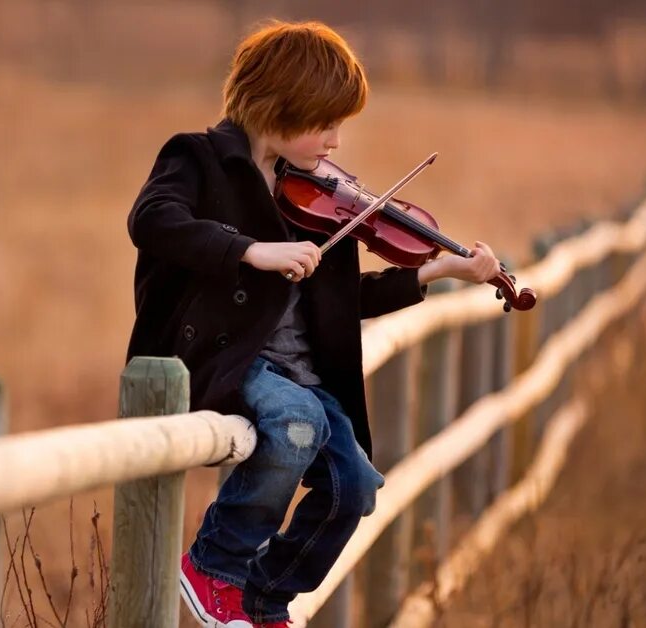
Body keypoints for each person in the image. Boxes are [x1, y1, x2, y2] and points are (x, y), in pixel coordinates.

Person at [124, 20, 501, 627]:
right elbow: (153, 220)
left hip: (299, 373)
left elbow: (338, 302)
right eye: (326, 123)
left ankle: (264, 596)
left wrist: (436, 273)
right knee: (296, 423)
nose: (335, 142)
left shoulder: (314, 196)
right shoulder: (196, 158)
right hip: (228, 359)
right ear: (280, 106)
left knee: (355, 487)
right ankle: (213, 567)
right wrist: (250, 250)